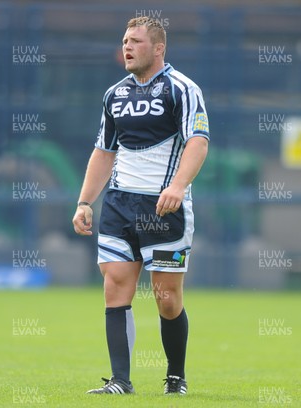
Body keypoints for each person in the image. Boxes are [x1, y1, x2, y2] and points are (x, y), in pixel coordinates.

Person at [72, 15, 209, 396]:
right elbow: (103, 152)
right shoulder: (114, 94)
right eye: (124, 40)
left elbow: (198, 142)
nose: (126, 47)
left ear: (159, 48)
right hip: (118, 205)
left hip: (165, 209)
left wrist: (179, 187)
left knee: (166, 299)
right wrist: (85, 202)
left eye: (135, 41)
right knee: (115, 287)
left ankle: (176, 377)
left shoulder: (182, 89)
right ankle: (120, 381)